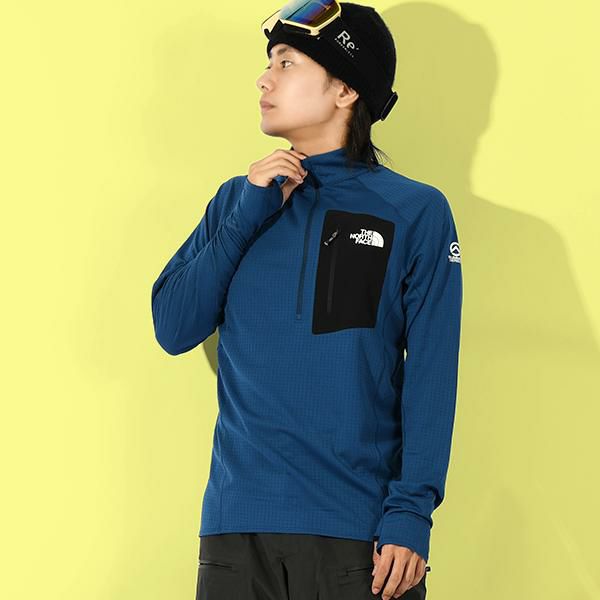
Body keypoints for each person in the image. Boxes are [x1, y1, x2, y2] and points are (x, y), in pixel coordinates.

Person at [150, 2, 463, 599]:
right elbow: (173, 326)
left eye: (287, 63)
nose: (264, 79)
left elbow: (432, 372)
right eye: (269, 63)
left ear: (345, 89)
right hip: (236, 535)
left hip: (359, 539)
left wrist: (411, 514)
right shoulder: (238, 200)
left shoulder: (415, 211)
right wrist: (249, 211)